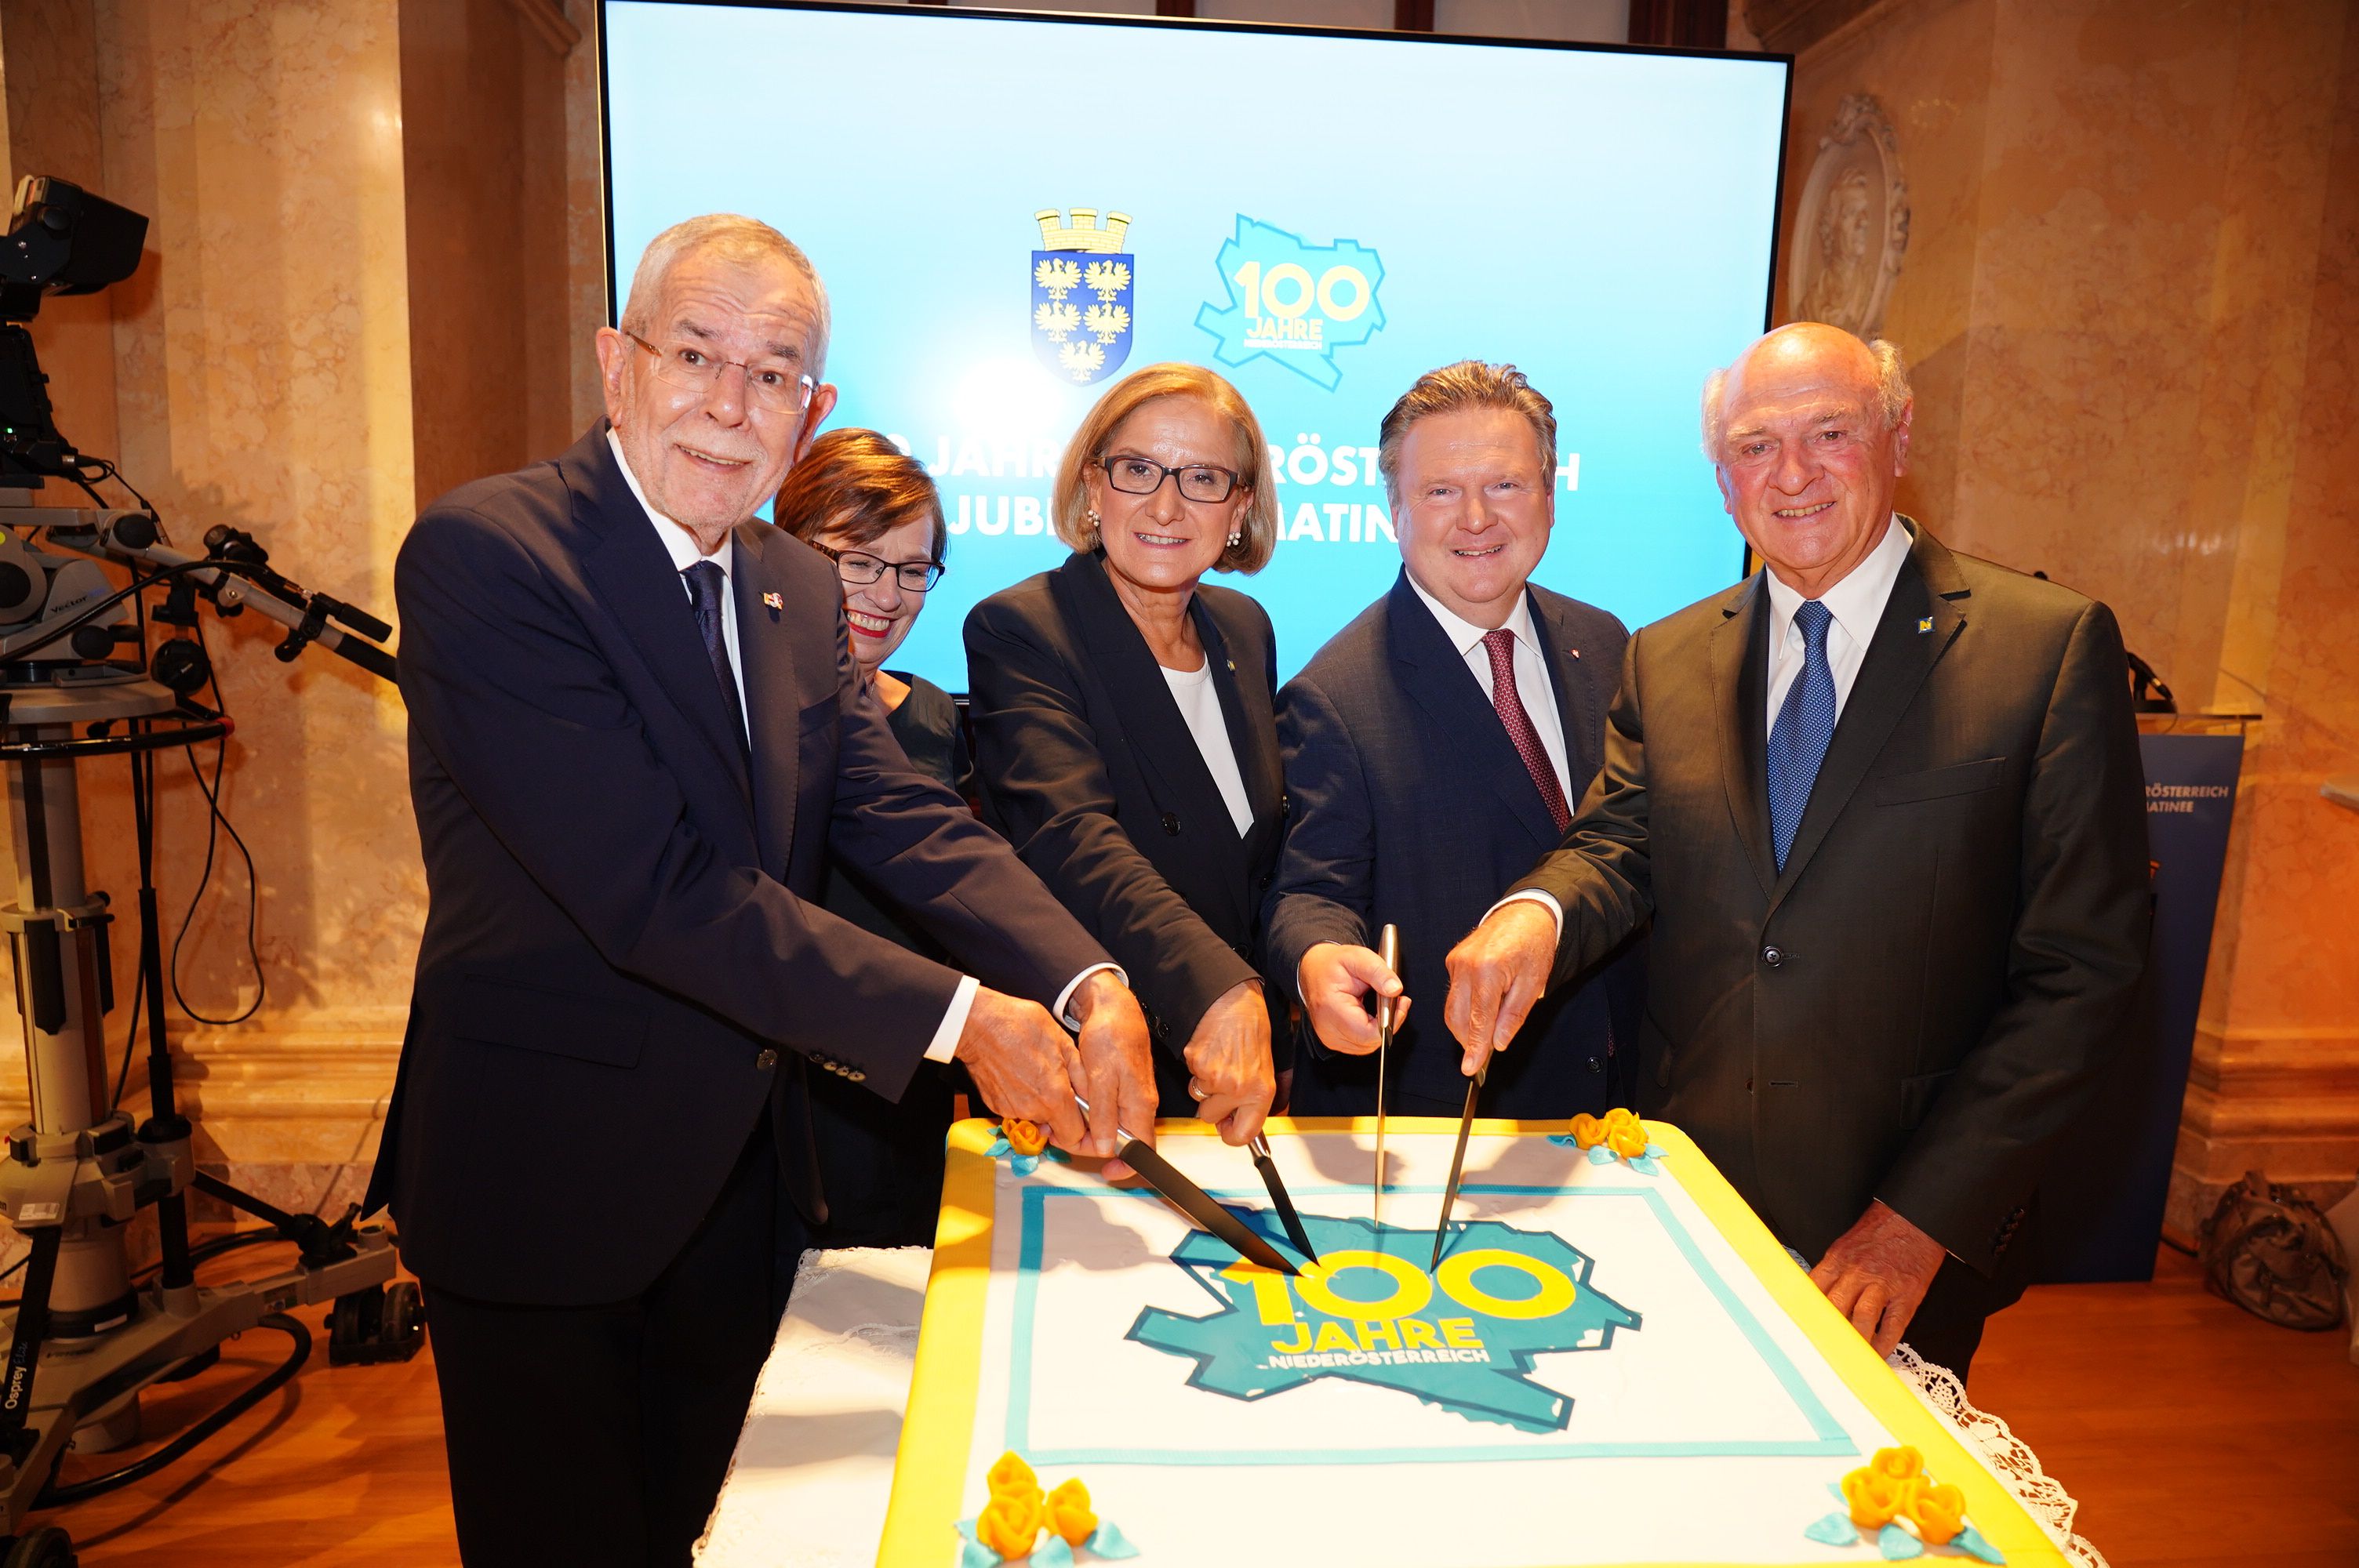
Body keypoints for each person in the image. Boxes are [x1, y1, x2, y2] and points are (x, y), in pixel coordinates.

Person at [370, 213, 1158, 1568]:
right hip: (545, 1181)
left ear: (815, 406)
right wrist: (969, 1021)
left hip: (740, 1178)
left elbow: (897, 814)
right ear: (616, 363)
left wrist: (1089, 979)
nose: (731, 408)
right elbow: (654, 890)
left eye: (774, 372)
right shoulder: (490, 558)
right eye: (697, 354)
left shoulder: (788, 581)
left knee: (727, 1533)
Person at [1443, 323, 2150, 1378]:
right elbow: (1623, 839)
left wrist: (1919, 1217)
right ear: (1724, 481)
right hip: (1685, 1199)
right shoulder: (1669, 653)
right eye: (1757, 447)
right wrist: (1531, 914)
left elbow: (2083, 975)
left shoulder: (2042, 649)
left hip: (1898, 1229)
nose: (1795, 474)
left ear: (1898, 435)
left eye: (1831, 432)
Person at [1263, 361, 1639, 1121]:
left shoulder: (1605, 643)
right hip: (1454, 1112)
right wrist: (1316, 958)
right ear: (1393, 508)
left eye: (1503, 485)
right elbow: (1311, 891)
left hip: (1626, 1095)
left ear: (1548, 496)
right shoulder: (1334, 693)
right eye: (1439, 491)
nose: (1475, 518)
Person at [965, 363, 1285, 1142]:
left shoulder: (1243, 626)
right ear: (1093, 484)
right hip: (1103, 1072)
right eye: (1138, 469)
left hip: (1243, 1066)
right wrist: (1217, 986)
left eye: (1203, 477)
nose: (1167, 505)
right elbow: (1074, 841)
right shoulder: (1022, 629)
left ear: (1239, 506)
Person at [772, 426, 968, 1249]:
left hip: (900, 1103)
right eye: (856, 560)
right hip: (776, 1101)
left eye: (911, 568)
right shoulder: (741, 710)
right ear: (788, 550)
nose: (886, 593)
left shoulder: (937, 718)